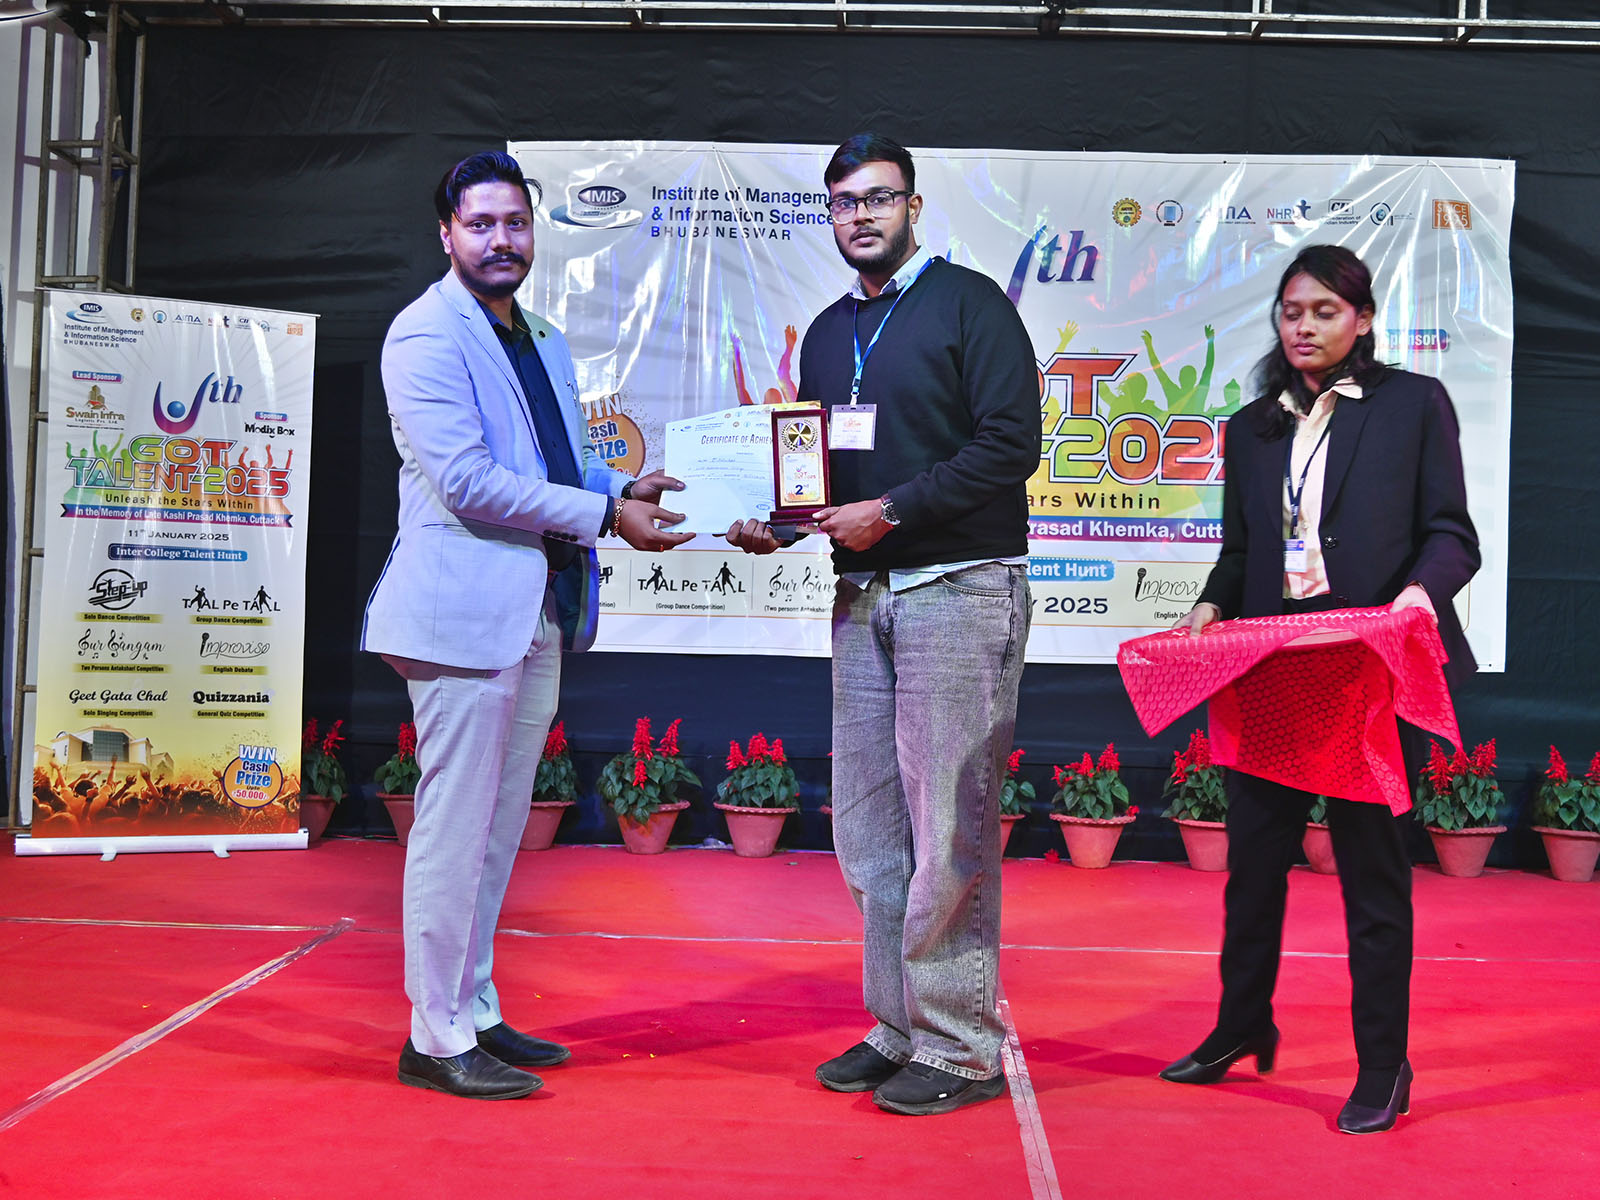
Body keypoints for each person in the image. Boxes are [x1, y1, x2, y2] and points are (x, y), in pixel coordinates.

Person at [362, 151, 690, 1100]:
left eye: (515, 223)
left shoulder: (539, 336)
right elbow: (468, 481)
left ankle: (473, 1009)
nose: (501, 240)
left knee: (498, 831)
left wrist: (621, 484)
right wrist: (606, 516)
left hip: (535, 608)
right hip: (461, 616)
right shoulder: (425, 333)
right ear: (447, 234)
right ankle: (433, 1036)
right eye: (481, 224)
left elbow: (551, 462)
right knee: (453, 830)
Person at [727, 133, 1039, 1115]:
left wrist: (893, 512)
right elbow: (817, 476)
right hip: (861, 598)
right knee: (867, 830)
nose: (859, 215)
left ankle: (960, 1045)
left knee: (948, 829)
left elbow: (1012, 444)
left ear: (912, 206)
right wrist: (777, 523)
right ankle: (900, 1025)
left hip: (959, 588)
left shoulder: (970, 304)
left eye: (877, 197)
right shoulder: (827, 333)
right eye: (843, 202)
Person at [1160, 244, 1480, 1134]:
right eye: (1292, 311)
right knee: (1252, 869)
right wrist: (1210, 605)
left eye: (1325, 311)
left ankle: (1383, 1065)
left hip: (1370, 670)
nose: (1303, 326)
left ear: (1362, 320)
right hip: (1273, 672)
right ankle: (1240, 1024)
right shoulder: (1251, 427)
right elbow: (1240, 552)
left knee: (1372, 877)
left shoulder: (1414, 405)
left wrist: (1417, 599)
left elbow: (1453, 536)